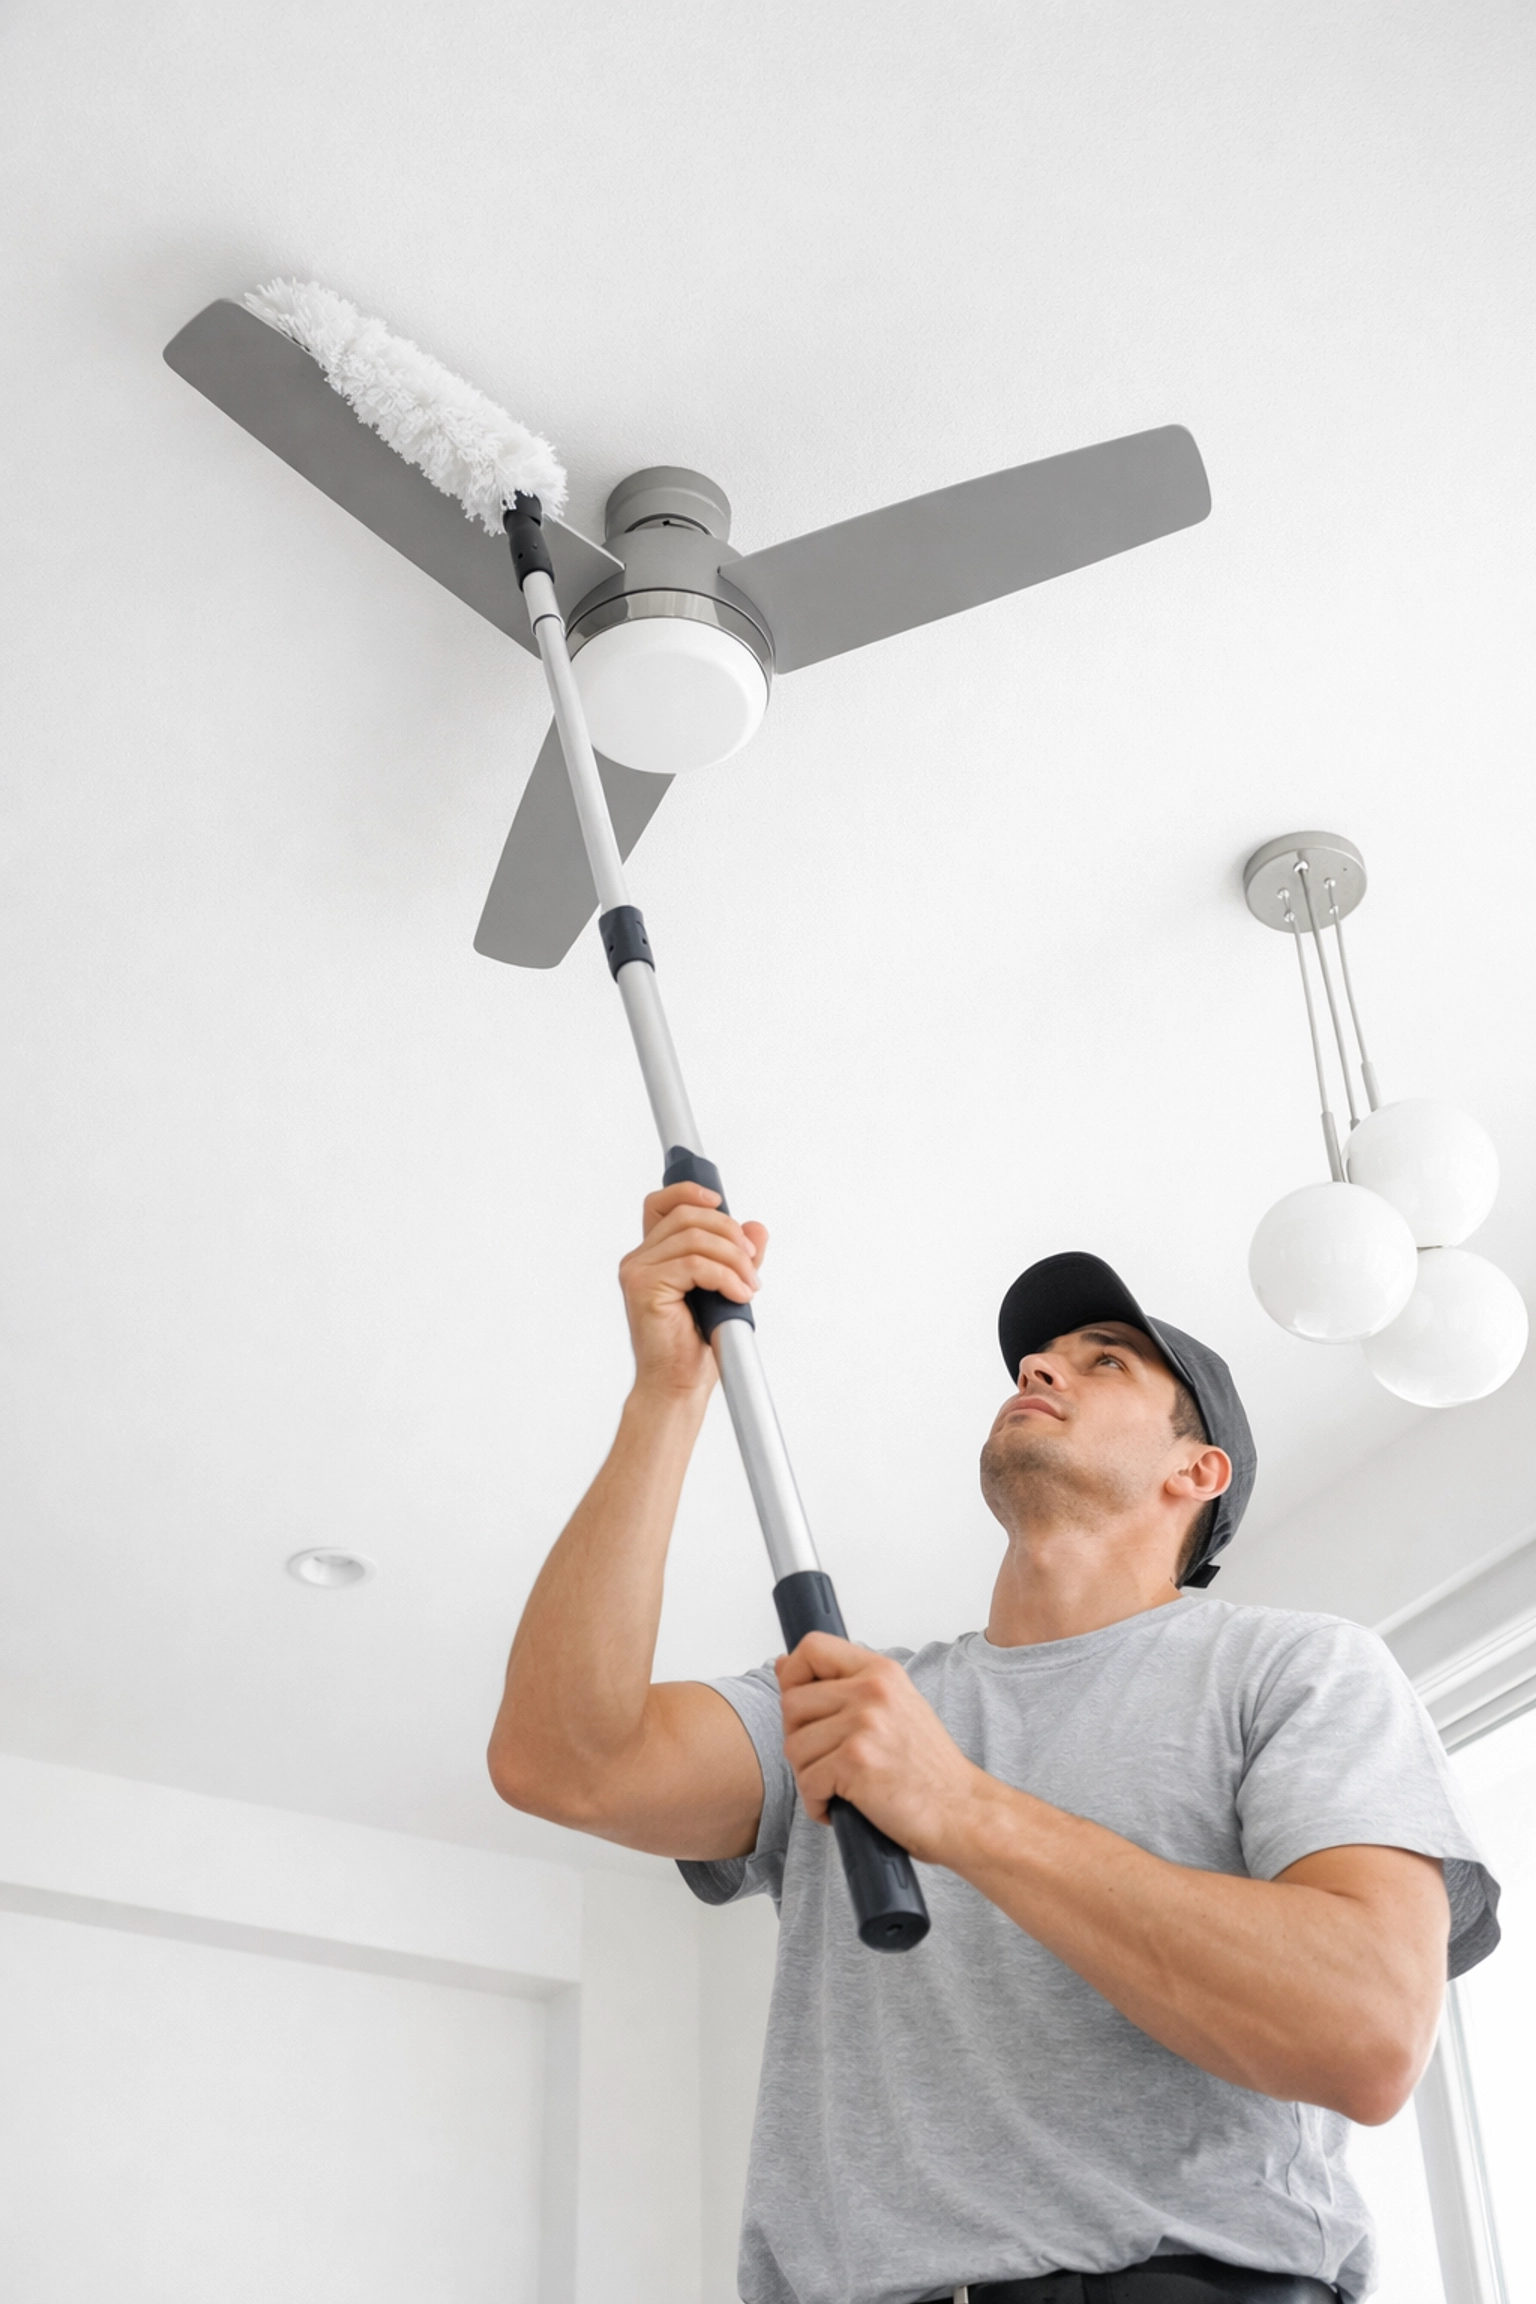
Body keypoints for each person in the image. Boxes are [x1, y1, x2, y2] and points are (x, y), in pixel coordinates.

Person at [488, 1183, 1499, 2304]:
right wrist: (668, 1396)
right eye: (1036, 1359)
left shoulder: (1296, 1670)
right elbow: (560, 1761)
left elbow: (1364, 2034)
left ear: (1197, 1470)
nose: (1039, 1369)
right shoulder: (853, 1708)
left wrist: (963, 1811)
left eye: (1105, 1359)